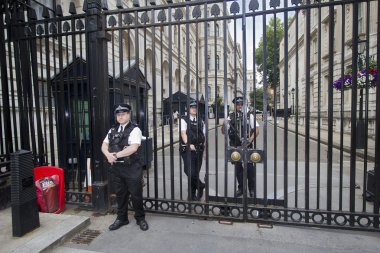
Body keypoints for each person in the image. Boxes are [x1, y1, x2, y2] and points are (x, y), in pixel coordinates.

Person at [101, 103, 149, 231]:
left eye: (123, 114)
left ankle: (140, 218)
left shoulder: (135, 129)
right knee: (120, 195)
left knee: (136, 195)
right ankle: (122, 218)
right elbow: (104, 145)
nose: (120, 117)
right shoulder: (112, 130)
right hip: (117, 169)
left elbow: (133, 148)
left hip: (132, 168)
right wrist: (108, 155)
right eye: (118, 115)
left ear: (128, 115)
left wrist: (115, 155)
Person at [221, 96, 259, 197]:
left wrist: (249, 140)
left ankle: (252, 189)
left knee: (250, 169)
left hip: (247, 146)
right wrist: (224, 123)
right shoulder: (230, 116)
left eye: (242, 104)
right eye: (238, 104)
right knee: (238, 169)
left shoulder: (249, 116)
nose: (240, 106)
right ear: (235, 106)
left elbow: (257, 130)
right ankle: (241, 188)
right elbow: (223, 132)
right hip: (235, 146)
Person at [180, 100, 206, 201]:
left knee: (195, 172)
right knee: (189, 171)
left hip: (199, 149)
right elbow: (183, 133)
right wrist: (188, 143)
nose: (194, 108)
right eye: (192, 107)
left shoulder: (201, 120)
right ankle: (201, 185)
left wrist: (204, 150)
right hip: (187, 149)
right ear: (188, 109)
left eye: (195, 107)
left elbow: (204, 136)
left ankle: (192, 195)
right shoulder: (183, 120)